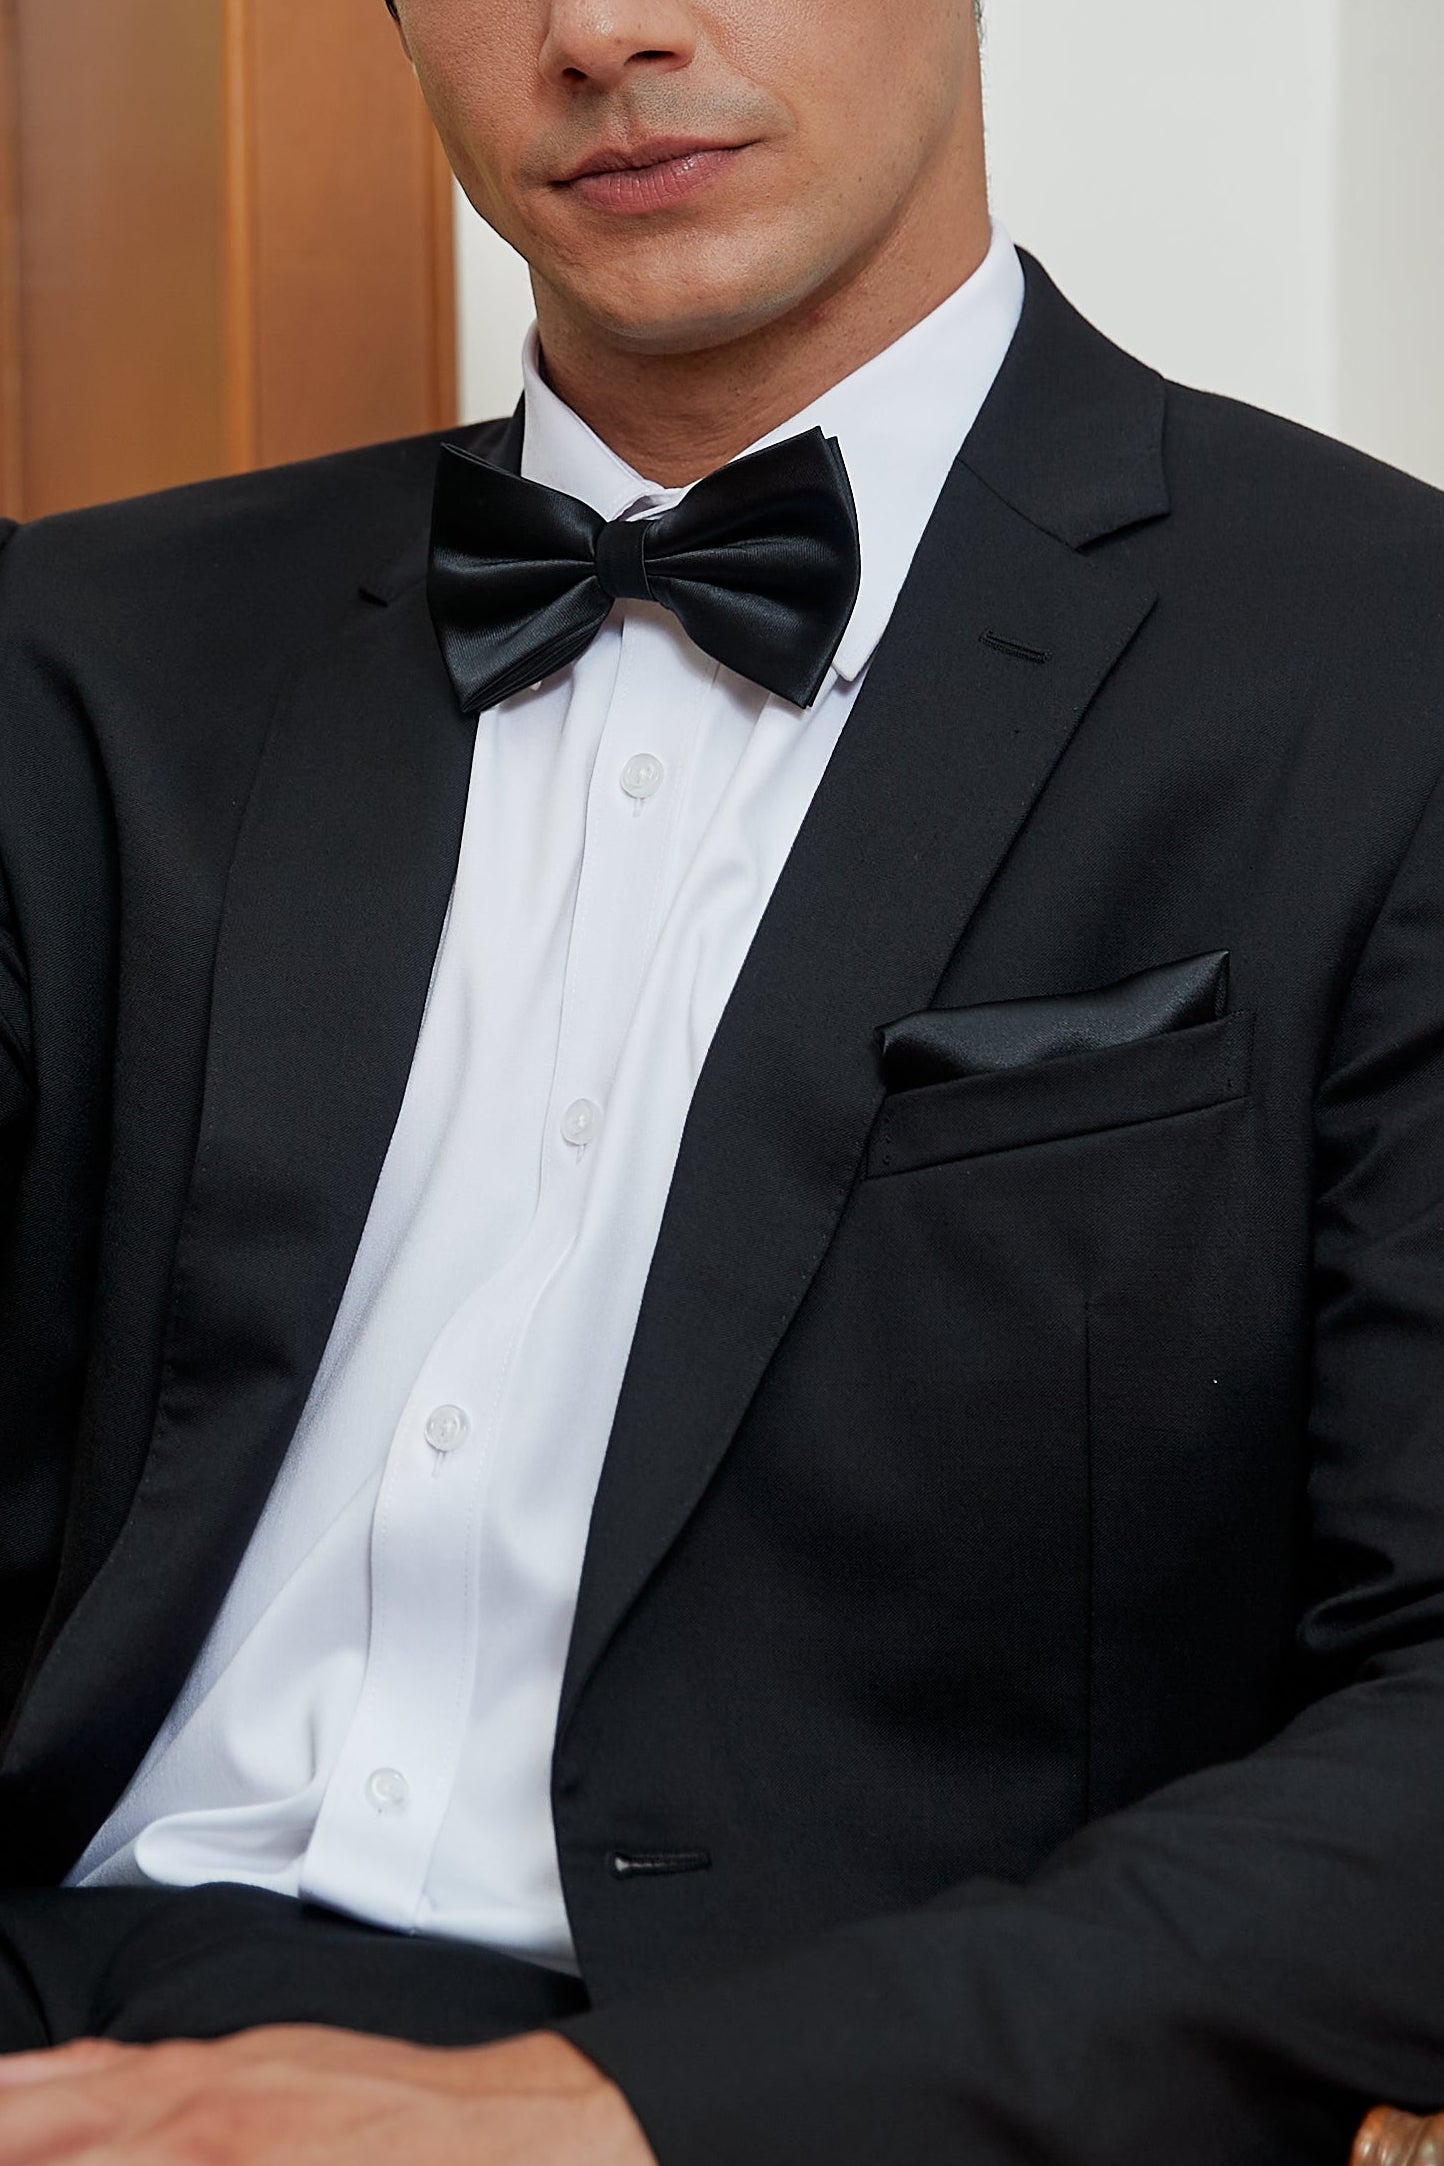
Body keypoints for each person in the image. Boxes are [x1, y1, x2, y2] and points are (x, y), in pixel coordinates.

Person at [1, 0, 1443, 2159]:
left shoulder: (1377, 664)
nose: (602, 31)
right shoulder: (81, 654)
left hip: (805, 2074)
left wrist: (616, 2114)